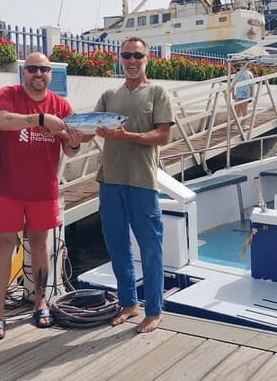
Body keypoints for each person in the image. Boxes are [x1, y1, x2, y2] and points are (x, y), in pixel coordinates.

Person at [0, 51, 82, 340]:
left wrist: (75, 142)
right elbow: (3, 121)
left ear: (51, 74)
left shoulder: (62, 104)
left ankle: (41, 304)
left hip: (43, 191)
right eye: (33, 69)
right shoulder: (8, 94)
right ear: (24, 72)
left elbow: (70, 149)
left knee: (40, 245)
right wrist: (40, 119)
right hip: (7, 189)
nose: (39, 74)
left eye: (44, 69)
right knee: (3, 246)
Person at [93, 37, 174, 333]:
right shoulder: (109, 95)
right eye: (127, 55)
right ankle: (128, 303)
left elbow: (163, 135)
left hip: (142, 181)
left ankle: (154, 310)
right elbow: (90, 129)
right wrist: (70, 131)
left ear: (146, 58)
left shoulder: (157, 92)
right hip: (110, 180)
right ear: (120, 58)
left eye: (137, 55)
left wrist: (126, 136)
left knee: (150, 247)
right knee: (117, 245)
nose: (131, 60)